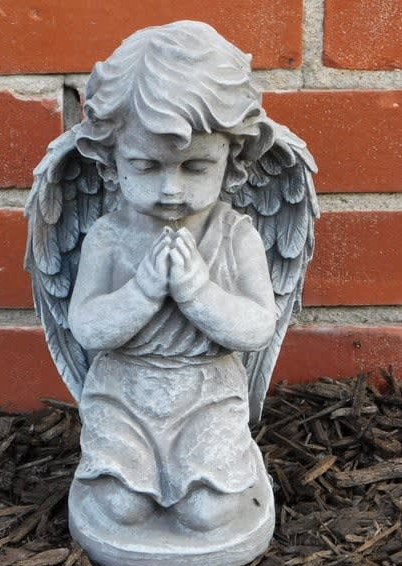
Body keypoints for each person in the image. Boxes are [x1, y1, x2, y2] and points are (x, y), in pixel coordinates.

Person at [66, 21, 279, 532]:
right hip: (124, 394)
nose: (170, 189)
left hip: (207, 395)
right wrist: (142, 291)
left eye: (195, 167)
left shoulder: (235, 236)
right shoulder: (108, 238)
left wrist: (197, 292)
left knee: (208, 514)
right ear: (111, 160)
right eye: (145, 166)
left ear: (232, 160)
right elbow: (88, 329)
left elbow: (257, 328)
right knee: (121, 508)